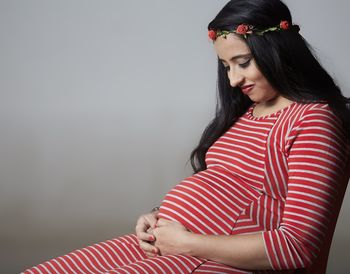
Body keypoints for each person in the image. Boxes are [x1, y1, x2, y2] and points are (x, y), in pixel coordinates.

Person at [24, 0, 350, 273]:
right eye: (225, 66)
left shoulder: (313, 120)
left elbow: (298, 246)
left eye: (243, 63)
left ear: (277, 50)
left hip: (210, 261)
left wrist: (187, 243)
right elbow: (225, 186)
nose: (233, 79)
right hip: (171, 247)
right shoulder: (246, 112)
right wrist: (159, 217)